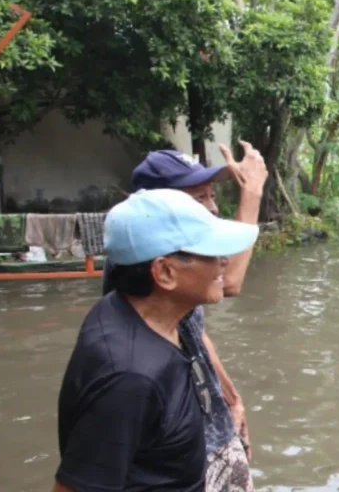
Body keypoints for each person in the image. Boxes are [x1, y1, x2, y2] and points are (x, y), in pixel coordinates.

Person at [54, 189, 259, 492]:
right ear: (164, 272)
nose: (225, 262)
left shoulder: (138, 312)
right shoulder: (129, 378)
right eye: (212, 252)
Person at [101, 144, 267, 491]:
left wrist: (230, 397)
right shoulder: (152, 263)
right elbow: (231, 282)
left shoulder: (176, 273)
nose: (212, 207)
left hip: (208, 424)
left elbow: (192, 327)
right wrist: (251, 194)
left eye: (210, 195)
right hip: (183, 444)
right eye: (198, 198)